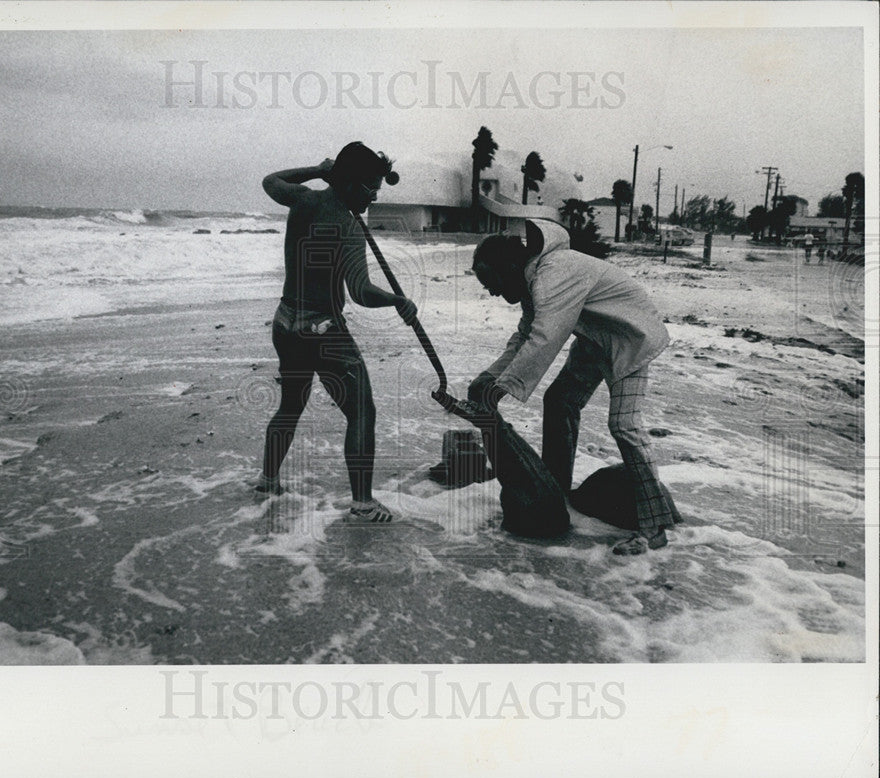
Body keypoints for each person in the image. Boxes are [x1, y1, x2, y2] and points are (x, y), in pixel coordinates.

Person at [467, 219, 677, 555]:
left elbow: (545, 337)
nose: (491, 291)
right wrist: (489, 377)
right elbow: (523, 336)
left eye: (490, 281)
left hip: (630, 337)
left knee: (624, 425)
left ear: (507, 267)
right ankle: (557, 491)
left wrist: (498, 390)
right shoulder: (535, 278)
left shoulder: (553, 273)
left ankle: (655, 527)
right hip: (597, 337)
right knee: (560, 401)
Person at [254, 142, 417, 523]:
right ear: (348, 181)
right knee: (362, 411)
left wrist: (316, 169)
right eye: (370, 186)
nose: (375, 194)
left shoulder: (304, 201)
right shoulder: (347, 226)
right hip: (323, 330)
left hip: (285, 321)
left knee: (291, 405)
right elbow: (360, 293)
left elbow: (270, 180)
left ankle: (267, 480)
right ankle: (362, 503)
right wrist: (397, 300)